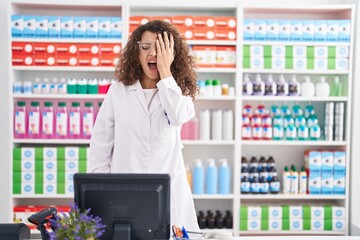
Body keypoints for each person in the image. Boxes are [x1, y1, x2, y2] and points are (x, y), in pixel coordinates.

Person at [88, 20, 200, 233]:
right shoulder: (118, 92)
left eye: (161, 49)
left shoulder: (179, 92)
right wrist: (104, 197)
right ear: (136, 52)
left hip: (171, 200)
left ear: (171, 54)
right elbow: (99, 152)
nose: (153, 54)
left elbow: (177, 116)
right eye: (146, 47)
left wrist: (166, 72)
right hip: (124, 197)